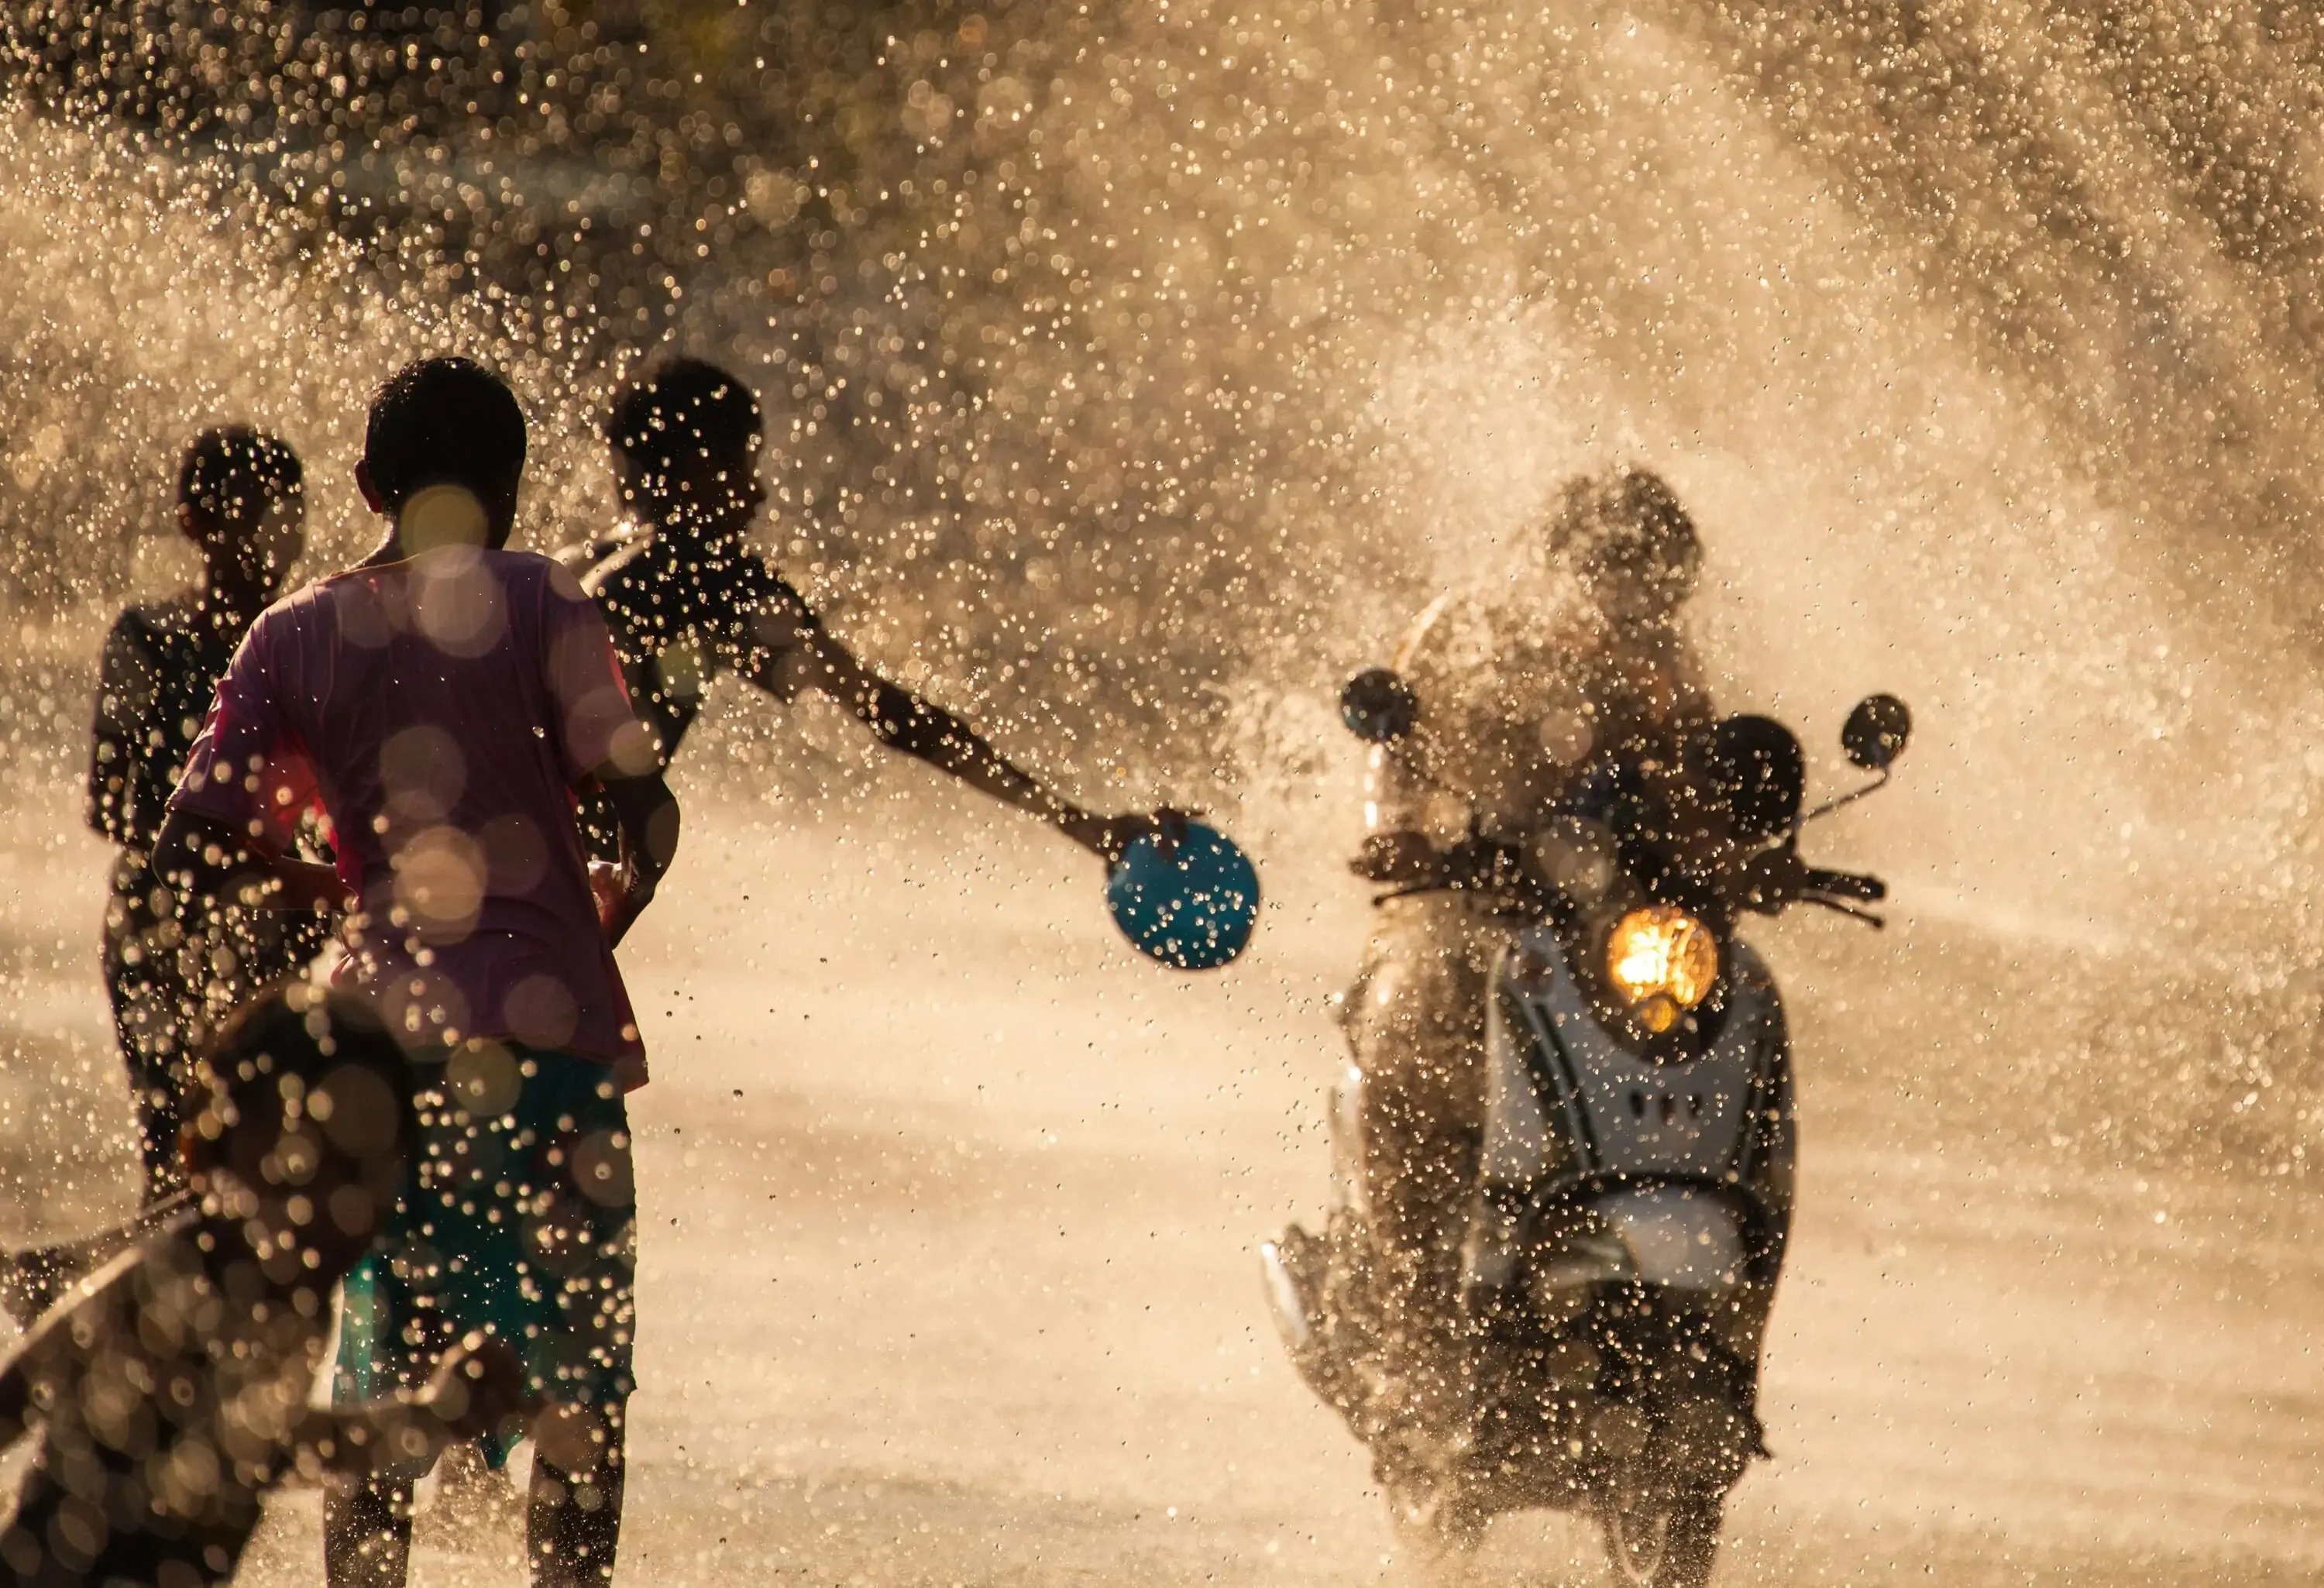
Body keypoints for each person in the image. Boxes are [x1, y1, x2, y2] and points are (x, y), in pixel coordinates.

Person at [151, 356, 679, 1588]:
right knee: (580, 1392)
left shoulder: (292, 634)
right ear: (510, 483)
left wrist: (332, 890)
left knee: (384, 1387)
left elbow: (190, 845)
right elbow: (648, 814)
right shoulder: (546, 600)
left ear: (366, 482)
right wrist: (605, 901)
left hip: (387, 1060)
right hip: (556, 1051)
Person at [1339, 466, 1714, 1482]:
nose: (1641, 601)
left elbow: (1695, 790)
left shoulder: (1664, 664)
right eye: (1624, 575)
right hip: (1461, 910)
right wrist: (1400, 837)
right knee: (1409, 1047)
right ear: (1567, 563)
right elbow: (1395, 753)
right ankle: (1416, 1343)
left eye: (1659, 585)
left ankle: (1692, 1325)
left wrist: (1743, 853)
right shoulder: (1467, 629)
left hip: (1607, 938)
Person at [0, 984, 531, 1588]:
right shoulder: (182, 1272)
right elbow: (265, 1445)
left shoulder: (298, 1297)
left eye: (369, 1167)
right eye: (307, 1164)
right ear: (216, 1151)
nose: (343, 1202)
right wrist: (427, 1417)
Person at [557, 356, 1162, 870]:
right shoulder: (709, 572)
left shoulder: (563, 569)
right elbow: (887, 713)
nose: (760, 493)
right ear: (697, 472)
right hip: (552, 874)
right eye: (745, 467)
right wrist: (1077, 822)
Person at [86, 427, 323, 1204]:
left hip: (280, 931)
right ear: (195, 523)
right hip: (162, 925)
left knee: (281, 1157)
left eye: (283, 514)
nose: (268, 534)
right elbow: (112, 800)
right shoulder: (149, 639)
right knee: (175, 1150)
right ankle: (166, 1306)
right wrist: (225, 855)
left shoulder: (318, 641)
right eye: (245, 512)